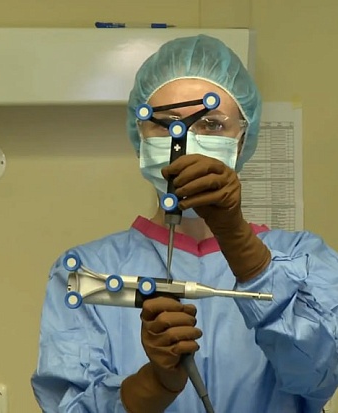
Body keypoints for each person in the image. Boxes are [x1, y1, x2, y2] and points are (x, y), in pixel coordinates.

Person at [31, 34, 338, 412]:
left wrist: (240, 242)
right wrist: (153, 385)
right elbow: (70, 405)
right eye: (165, 124)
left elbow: (318, 375)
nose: (186, 140)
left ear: (242, 139)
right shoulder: (87, 273)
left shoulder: (304, 260)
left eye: (211, 124)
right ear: (140, 135)